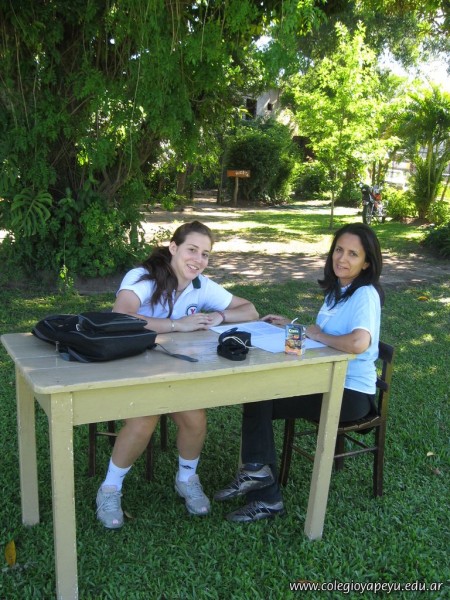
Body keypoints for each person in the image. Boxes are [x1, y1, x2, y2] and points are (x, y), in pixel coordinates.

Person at [214, 223, 384, 523]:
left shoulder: (365, 294)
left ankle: (260, 483)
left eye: (353, 254)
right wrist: (296, 329)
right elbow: (325, 336)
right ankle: (260, 480)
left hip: (350, 393)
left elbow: (358, 342)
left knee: (261, 397)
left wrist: (317, 335)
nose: (342, 258)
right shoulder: (339, 291)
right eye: (339, 250)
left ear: (367, 262)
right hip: (325, 380)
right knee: (258, 394)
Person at [96, 220, 259, 529]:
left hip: (173, 372)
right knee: (144, 420)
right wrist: (176, 325)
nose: (198, 260)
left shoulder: (201, 285)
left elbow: (250, 309)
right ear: (173, 248)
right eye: (192, 250)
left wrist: (219, 315)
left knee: (196, 419)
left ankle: (186, 478)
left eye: (205, 254)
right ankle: (110, 488)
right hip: (130, 368)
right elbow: (121, 315)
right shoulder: (143, 277)